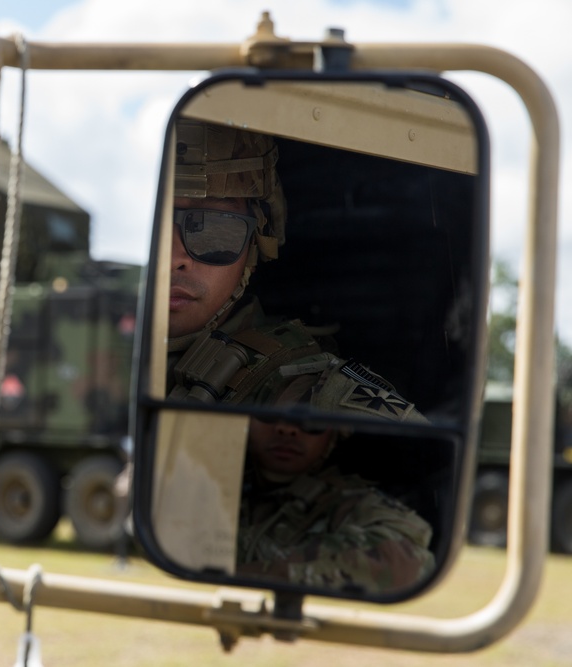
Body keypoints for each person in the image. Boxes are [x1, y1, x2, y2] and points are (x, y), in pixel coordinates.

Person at [167, 118, 424, 423]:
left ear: (259, 236)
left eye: (211, 227)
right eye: (151, 224)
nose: (172, 258)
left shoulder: (316, 401)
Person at [234, 378, 435, 592]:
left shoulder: (351, 502)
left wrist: (247, 576)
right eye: (268, 415)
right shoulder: (214, 488)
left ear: (334, 434)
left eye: (310, 422)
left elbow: (402, 563)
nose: (286, 429)